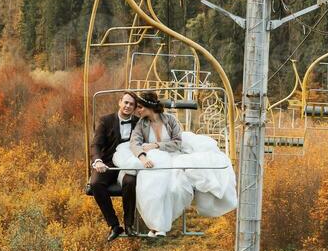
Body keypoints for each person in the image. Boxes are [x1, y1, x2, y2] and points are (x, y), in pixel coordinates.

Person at [112, 92, 238, 235]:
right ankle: (157, 226)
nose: (137, 110)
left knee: (176, 187)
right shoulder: (142, 124)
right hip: (155, 159)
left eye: (140, 107)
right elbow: (135, 143)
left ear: (149, 107)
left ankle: (162, 223)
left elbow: (177, 143)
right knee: (153, 187)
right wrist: (142, 157)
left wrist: (156, 145)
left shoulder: (170, 120)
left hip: (173, 155)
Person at [87, 91, 140, 241]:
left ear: (135, 108)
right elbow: (96, 144)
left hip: (127, 163)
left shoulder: (138, 123)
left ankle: (129, 224)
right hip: (108, 163)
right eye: (126, 102)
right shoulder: (105, 121)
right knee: (96, 184)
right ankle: (114, 225)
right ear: (120, 102)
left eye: (131, 104)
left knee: (130, 182)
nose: (128, 106)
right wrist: (97, 161)